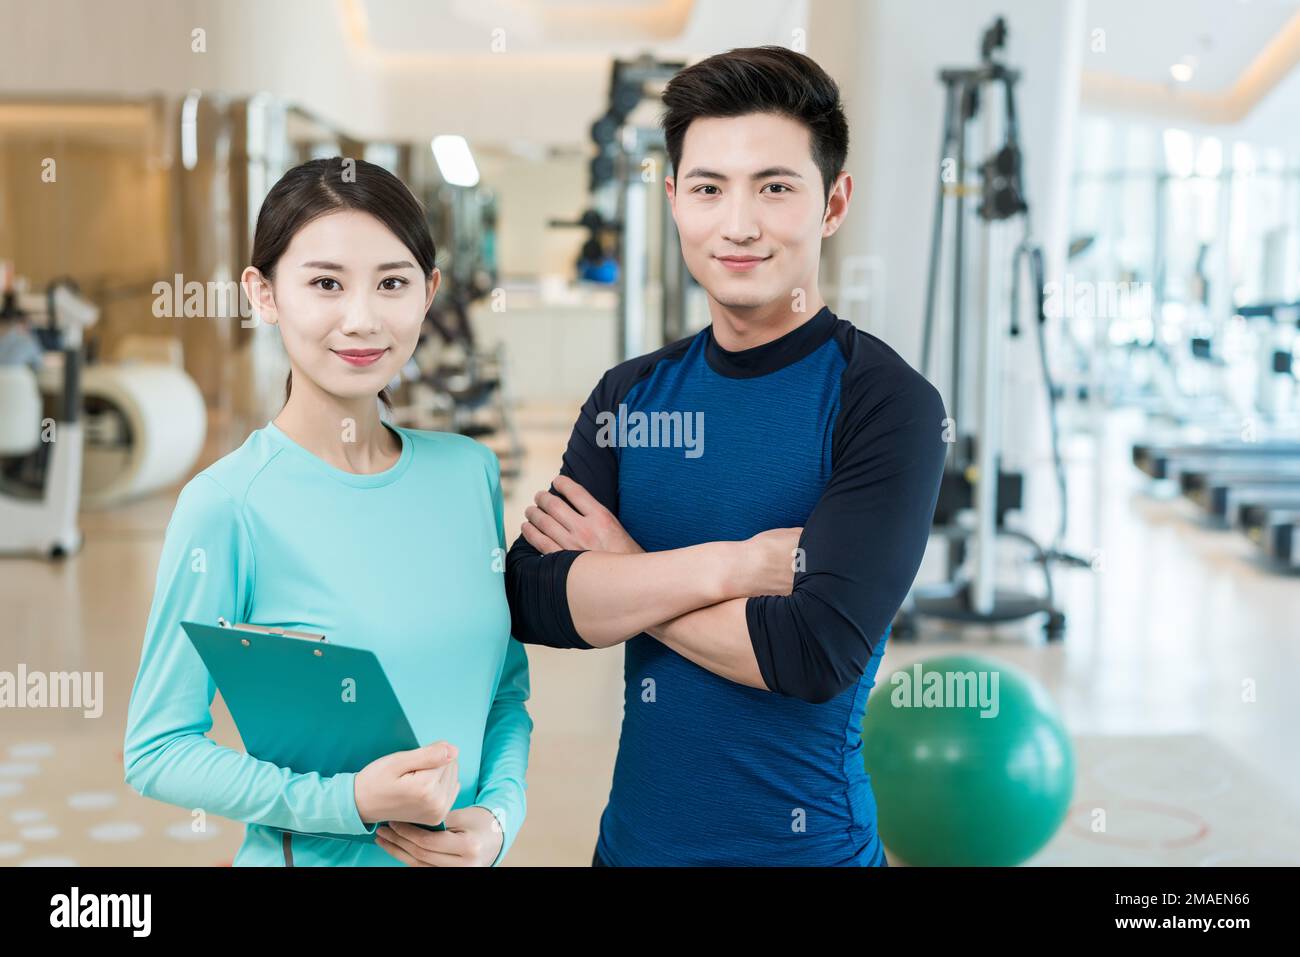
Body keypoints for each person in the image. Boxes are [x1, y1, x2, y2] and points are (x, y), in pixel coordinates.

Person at [506, 46, 947, 866]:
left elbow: (813, 653)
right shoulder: (629, 395)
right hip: (632, 847)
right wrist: (737, 567)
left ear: (833, 202)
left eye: (775, 187)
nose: (738, 224)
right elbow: (533, 597)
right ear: (674, 199)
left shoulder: (888, 403)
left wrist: (625, 571)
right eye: (709, 188)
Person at [124, 157, 531, 867]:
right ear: (264, 293)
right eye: (325, 284)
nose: (362, 319)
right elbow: (158, 750)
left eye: (393, 283)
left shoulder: (468, 473)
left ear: (429, 292)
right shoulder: (227, 506)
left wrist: (498, 819)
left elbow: (503, 690)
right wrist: (347, 803)